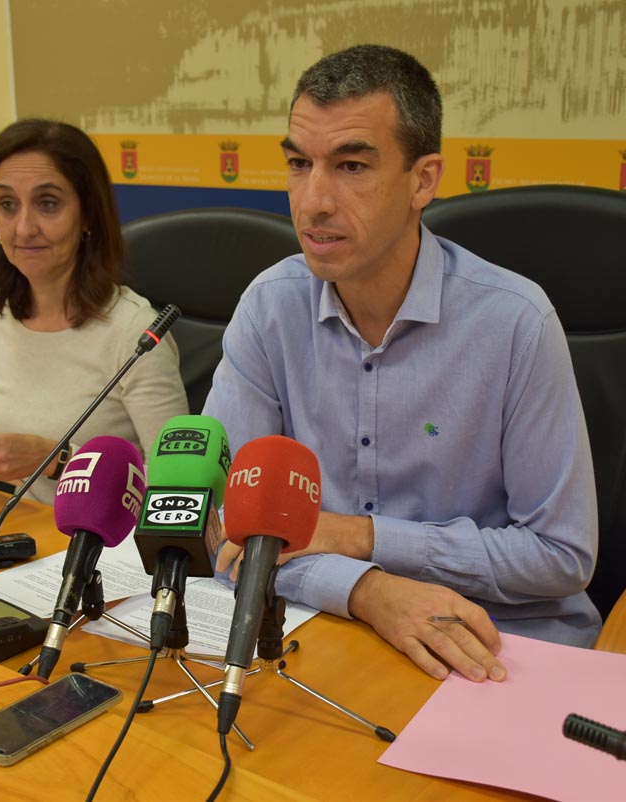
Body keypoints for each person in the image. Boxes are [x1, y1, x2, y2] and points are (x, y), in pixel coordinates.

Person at [205, 45, 600, 682]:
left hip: (497, 645)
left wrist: (361, 537)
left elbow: (559, 557)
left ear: (423, 180)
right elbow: (229, 531)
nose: (313, 202)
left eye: (351, 165)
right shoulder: (269, 309)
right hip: (327, 625)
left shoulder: (515, 322)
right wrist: (366, 590)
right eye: (299, 164)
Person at [0, 119, 188, 503]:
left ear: (87, 215)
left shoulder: (136, 332)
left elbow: (179, 488)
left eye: (47, 203)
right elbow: (23, 449)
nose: (23, 228)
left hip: (113, 551)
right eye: (6, 204)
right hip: (27, 538)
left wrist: (58, 462)